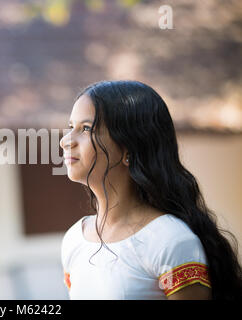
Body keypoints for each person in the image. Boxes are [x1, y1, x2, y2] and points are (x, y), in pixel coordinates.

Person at [59, 80, 242, 300]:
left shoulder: (170, 240)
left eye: (86, 128)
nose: (65, 141)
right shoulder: (74, 240)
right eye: (71, 127)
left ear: (129, 148)